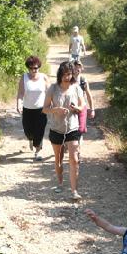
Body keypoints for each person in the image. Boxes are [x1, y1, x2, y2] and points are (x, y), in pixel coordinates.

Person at [43, 61, 85, 200]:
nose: (67, 77)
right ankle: (60, 183)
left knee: (74, 160)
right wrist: (55, 110)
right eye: (65, 74)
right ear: (60, 74)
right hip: (56, 129)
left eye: (70, 74)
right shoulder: (53, 88)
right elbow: (44, 109)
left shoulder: (76, 87)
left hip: (72, 128)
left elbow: (82, 105)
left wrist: (77, 108)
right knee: (59, 160)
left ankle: (74, 191)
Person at [16, 56, 49, 161]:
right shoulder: (24, 78)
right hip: (27, 110)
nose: (33, 70)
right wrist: (19, 104)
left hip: (41, 110)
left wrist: (52, 105)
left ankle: (37, 151)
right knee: (28, 131)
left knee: (40, 131)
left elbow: (49, 93)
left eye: (35, 68)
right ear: (28, 68)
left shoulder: (44, 78)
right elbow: (20, 93)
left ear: (39, 67)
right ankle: (30, 139)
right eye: (31, 68)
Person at [71, 59, 95, 148]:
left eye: (79, 67)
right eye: (75, 67)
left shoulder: (83, 80)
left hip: (82, 107)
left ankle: (77, 147)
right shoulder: (68, 79)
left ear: (81, 69)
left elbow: (88, 95)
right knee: (70, 128)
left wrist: (92, 109)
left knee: (80, 128)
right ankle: (70, 143)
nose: (77, 69)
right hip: (71, 107)